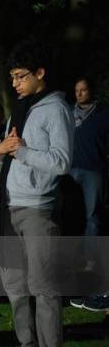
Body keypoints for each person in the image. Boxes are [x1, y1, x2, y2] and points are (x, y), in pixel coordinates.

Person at [0, 40, 74, 347]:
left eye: (20, 76)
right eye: (12, 77)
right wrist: (0, 155)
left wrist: (22, 152)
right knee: (15, 288)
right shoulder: (21, 108)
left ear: (40, 73)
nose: (15, 83)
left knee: (43, 287)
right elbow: (9, 155)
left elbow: (62, 162)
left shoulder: (56, 109)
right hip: (8, 206)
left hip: (38, 209)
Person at [68, 77, 109, 312]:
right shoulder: (68, 114)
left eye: (83, 89)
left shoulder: (103, 114)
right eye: (77, 90)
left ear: (91, 91)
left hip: (93, 170)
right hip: (70, 169)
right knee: (74, 216)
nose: (80, 93)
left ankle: (92, 255)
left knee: (93, 215)